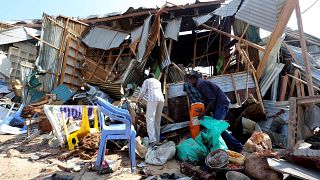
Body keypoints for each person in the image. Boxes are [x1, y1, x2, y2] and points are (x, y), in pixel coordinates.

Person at [188, 74, 244, 152]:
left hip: (221, 104)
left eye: (190, 81)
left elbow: (212, 99)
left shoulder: (201, 84)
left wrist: (204, 112)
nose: (190, 84)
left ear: (194, 79)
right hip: (220, 104)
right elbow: (208, 99)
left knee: (217, 127)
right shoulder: (200, 85)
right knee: (217, 127)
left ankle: (239, 147)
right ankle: (233, 146)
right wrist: (202, 110)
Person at [136, 73, 164, 146]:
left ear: (148, 77)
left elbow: (142, 92)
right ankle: (157, 140)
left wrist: (138, 100)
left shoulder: (147, 81)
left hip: (153, 98)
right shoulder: (158, 82)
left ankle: (152, 140)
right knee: (157, 120)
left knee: (150, 119)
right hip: (161, 99)